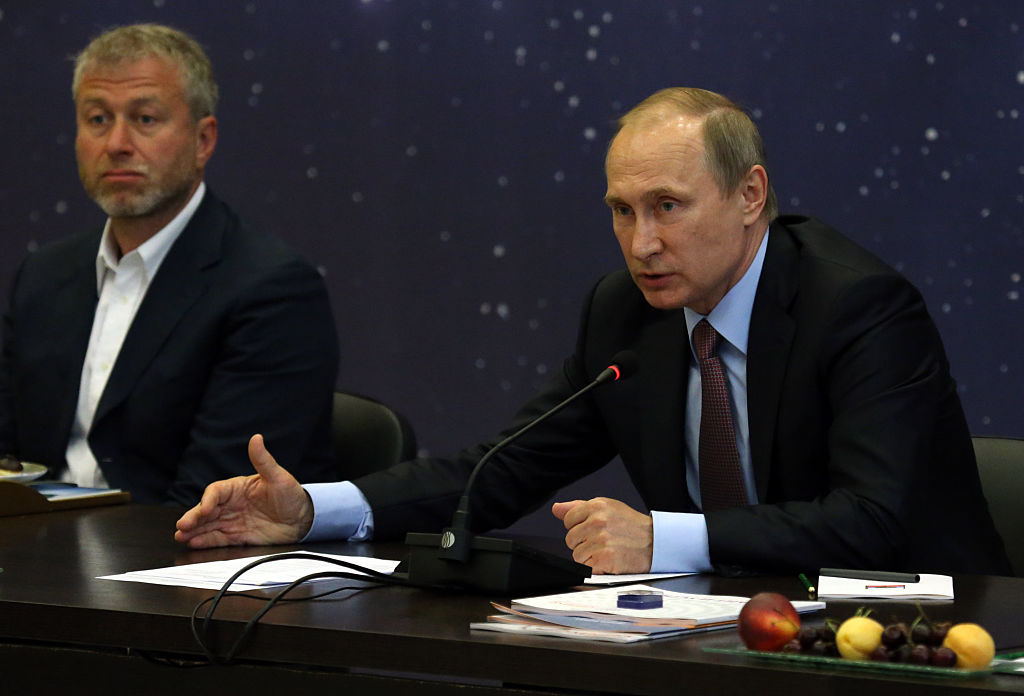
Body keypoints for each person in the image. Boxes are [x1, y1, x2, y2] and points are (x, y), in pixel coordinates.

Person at [176, 87, 1010, 576]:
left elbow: (874, 521)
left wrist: (659, 540)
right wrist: (309, 512)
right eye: (621, 210)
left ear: (751, 196)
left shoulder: (858, 306)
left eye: (668, 208)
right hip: (725, 638)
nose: (641, 243)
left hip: (921, 641)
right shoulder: (627, 311)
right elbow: (496, 472)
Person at [0, 24, 339, 506]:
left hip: (177, 568)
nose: (116, 142)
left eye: (145, 119)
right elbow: (8, 466)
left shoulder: (271, 289)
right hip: (40, 563)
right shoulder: (43, 275)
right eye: (97, 119)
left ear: (204, 140)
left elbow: (216, 503)